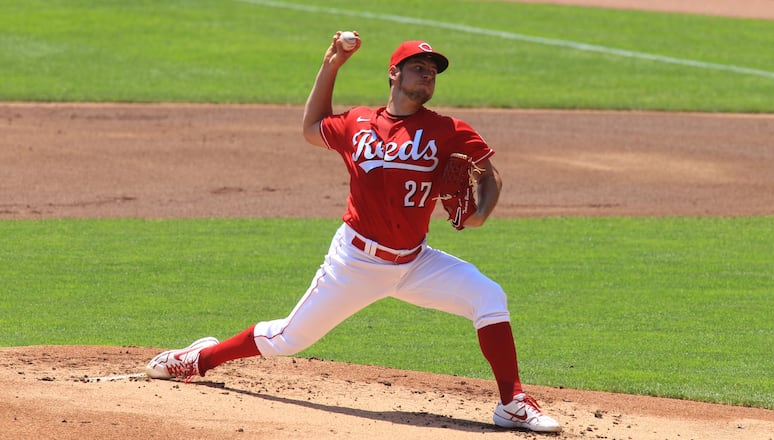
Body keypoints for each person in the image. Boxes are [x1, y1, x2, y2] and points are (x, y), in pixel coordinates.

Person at [145, 32, 561, 433]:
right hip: (356, 262)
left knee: (488, 295)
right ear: (394, 74)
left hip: (416, 261)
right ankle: (197, 359)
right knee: (287, 338)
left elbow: (489, 173)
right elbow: (312, 129)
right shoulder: (358, 123)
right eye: (418, 67)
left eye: (433, 70)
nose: (428, 74)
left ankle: (512, 404)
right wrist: (332, 64)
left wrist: (480, 214)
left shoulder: (449, 129)